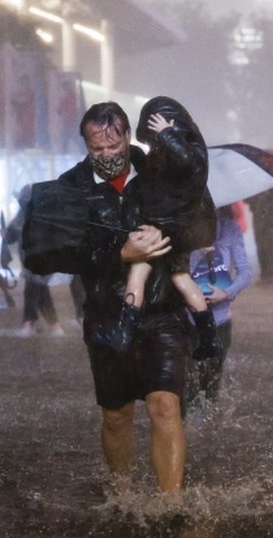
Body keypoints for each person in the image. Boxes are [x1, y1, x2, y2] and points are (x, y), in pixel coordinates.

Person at [40, 101, 191, 494]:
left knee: (165, 406)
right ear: (86, 145)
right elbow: (60, 252)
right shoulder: (72, 188)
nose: (107, 155)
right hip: (107, 313)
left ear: (127, 136)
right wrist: (118, 254)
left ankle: (169, 504)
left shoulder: (159, 173)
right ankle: (122, 494)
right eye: (97, 150)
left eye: (113, 146)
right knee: (116, 415)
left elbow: (192, 219)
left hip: (162, 308)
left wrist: (166, 241)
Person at [91, 96, 221, 361]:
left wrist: (167, 133)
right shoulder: (182, 160)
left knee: (138, 270)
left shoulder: (189, 155)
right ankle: (209, 339)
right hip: (179, 228)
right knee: (182, 279)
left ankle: (124, 333)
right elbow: (157, 174)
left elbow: (185, 161)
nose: (155, 145)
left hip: (164, 228)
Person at [187, 204, 252, 401]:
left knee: (212, 381)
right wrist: (198, 251)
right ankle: (187, 426)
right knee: (189, 380)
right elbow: (177, 273)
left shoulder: (230, 229)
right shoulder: (184, 230)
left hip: (221, 319)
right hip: (189, 319)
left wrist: (226, 293)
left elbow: (245, 271)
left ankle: (208, 425)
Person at [3, 185, 66, 337]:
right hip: (31, 260)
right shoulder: (23, 216)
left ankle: (29, 323)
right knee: (41, 292)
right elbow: (12, 236)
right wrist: (6, 234)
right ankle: (55, 326)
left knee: (32, 291)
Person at [246, 187, 273, 284]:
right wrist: (256, 196)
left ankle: (270, 273)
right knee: (260, 246)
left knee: (269, 245)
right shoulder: (253, 185)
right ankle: (264, 272)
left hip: (271, 217)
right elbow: (246, 199)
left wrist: (268, 194)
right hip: (258, 216)